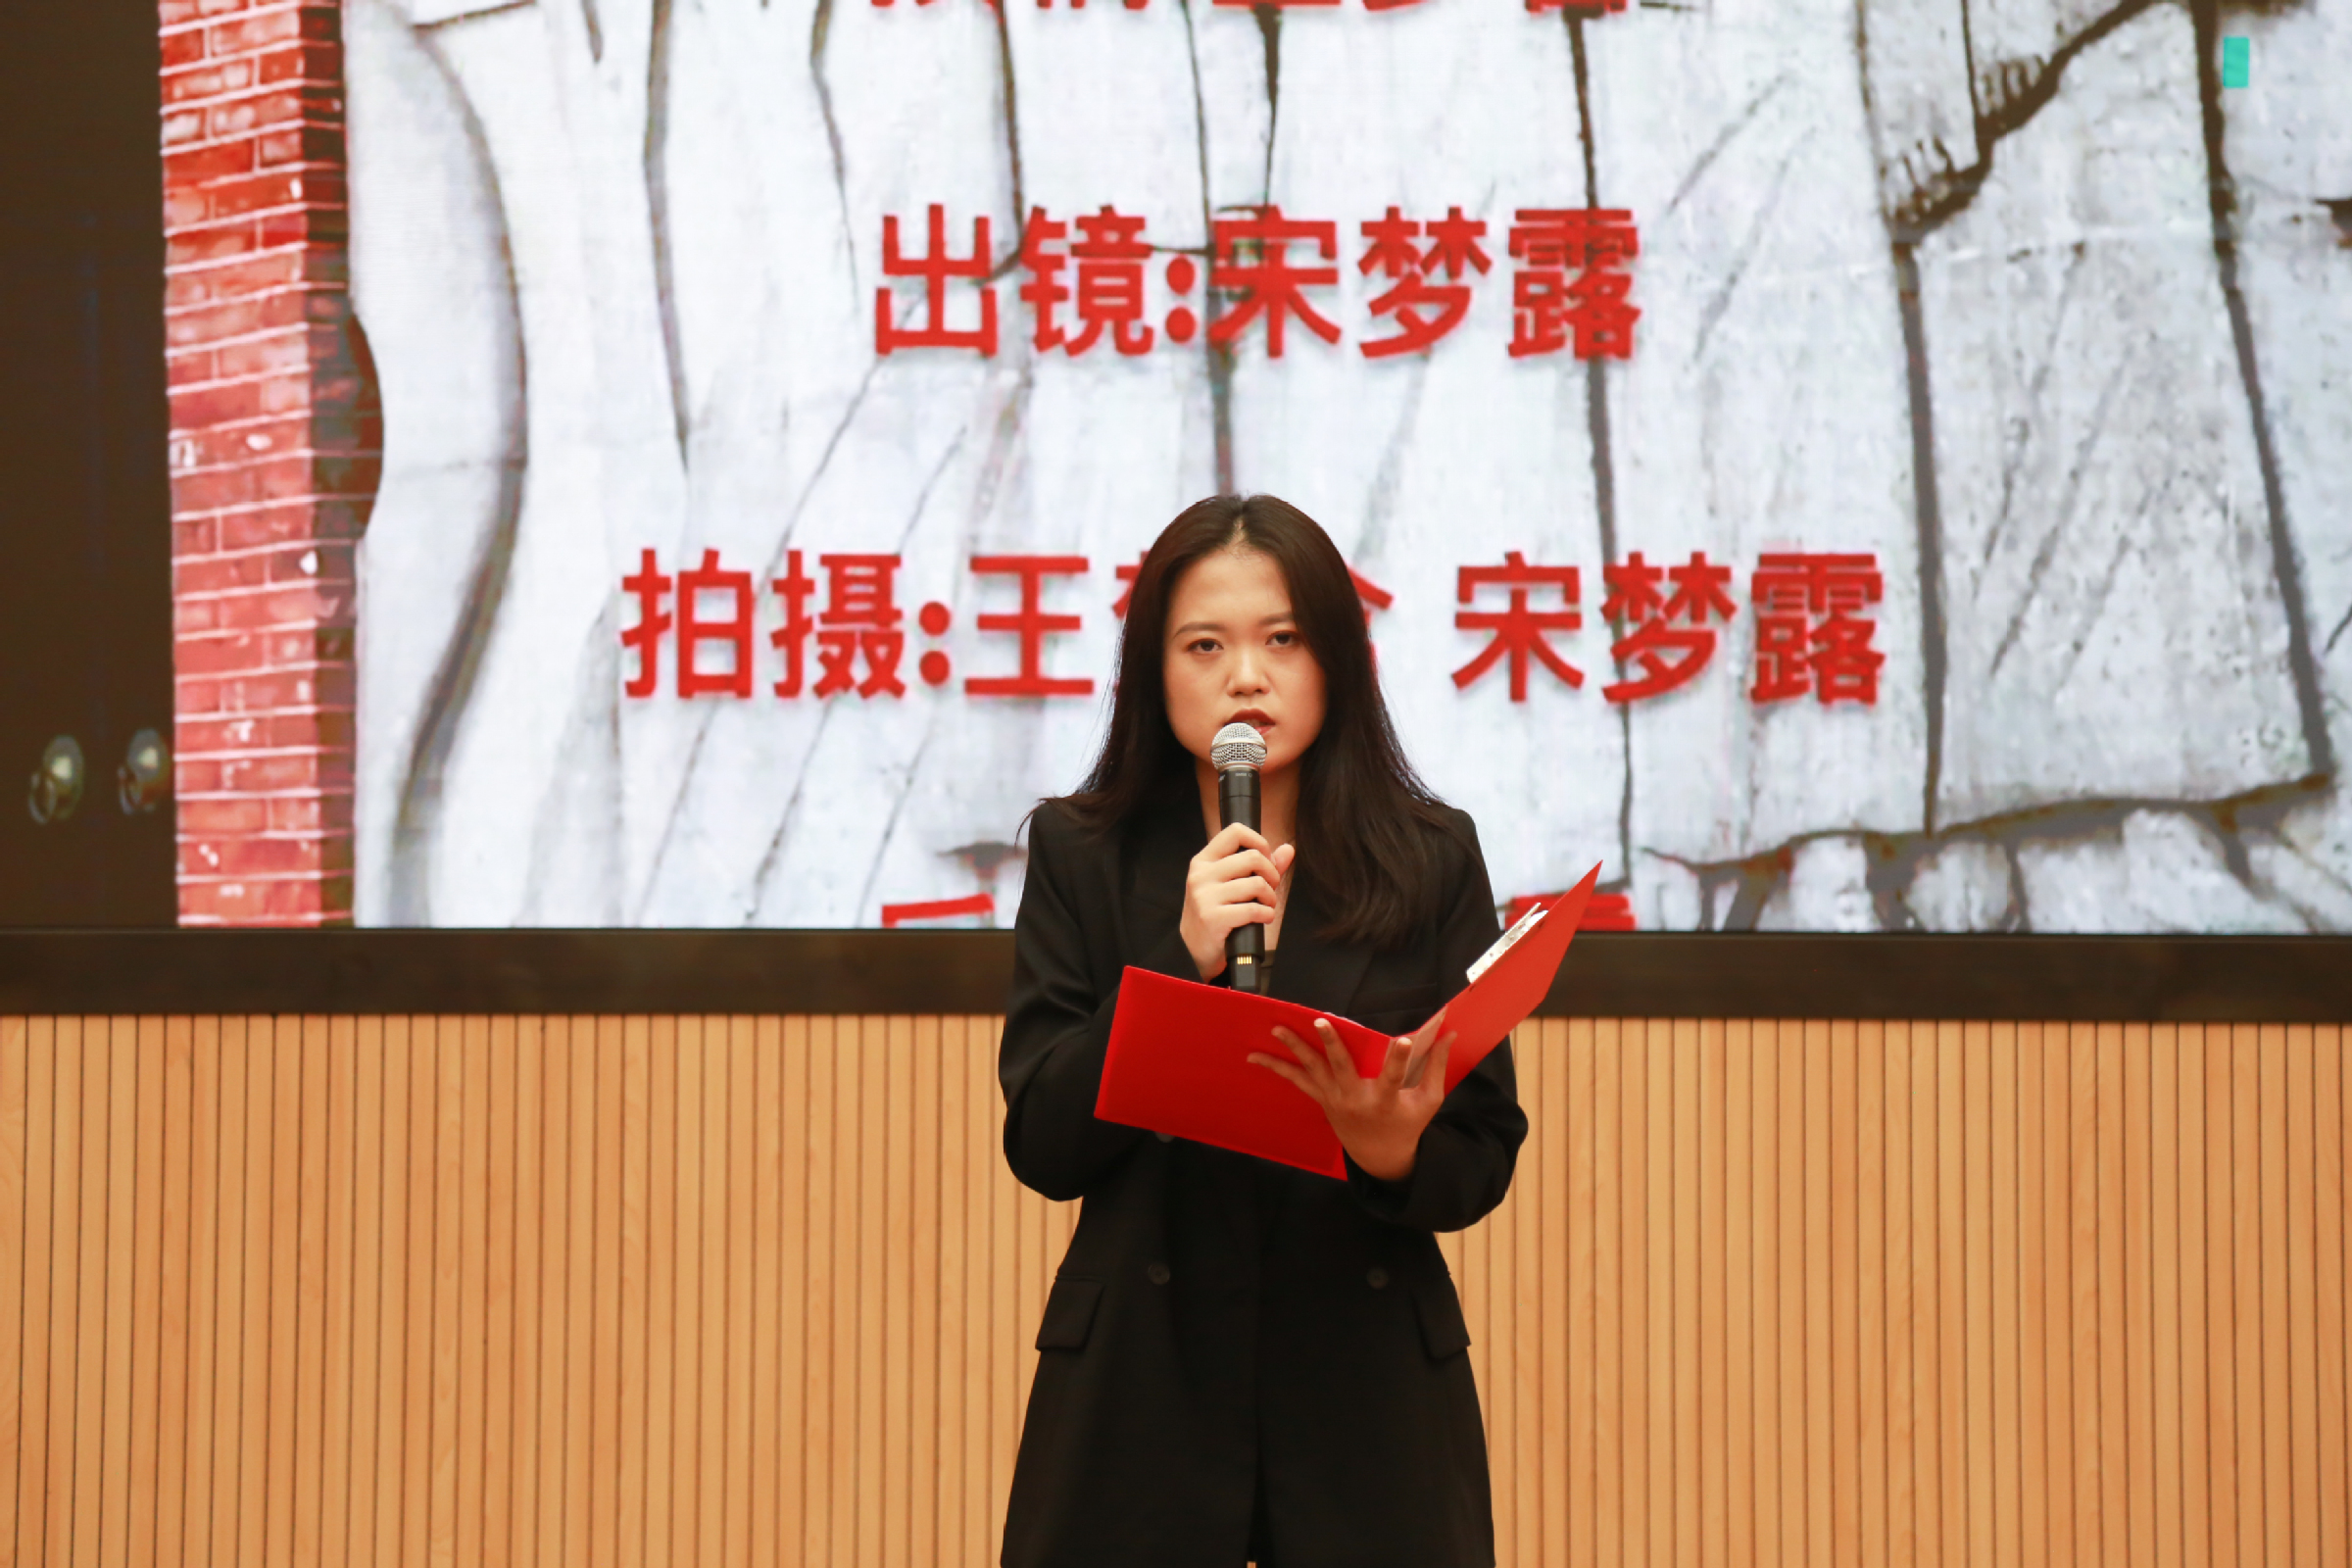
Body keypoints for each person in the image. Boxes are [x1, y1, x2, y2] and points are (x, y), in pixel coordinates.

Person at [997, 494, 1526, 1568]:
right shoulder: (1081, 853)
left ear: (1336, 658)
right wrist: (1171, 963)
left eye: (1282, 639)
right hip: (1140, 1392)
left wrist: (1390, 1151)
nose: (1247, 676)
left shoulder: (1430, 856)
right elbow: (1043, 1143)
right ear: (1154, 672)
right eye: (1206, 645)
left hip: (1366, 1395)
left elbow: (1481, 1150)